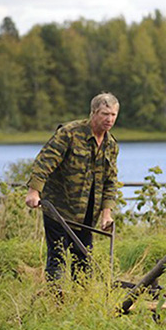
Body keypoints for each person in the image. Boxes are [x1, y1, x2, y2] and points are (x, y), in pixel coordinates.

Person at [25, 92, 120, 287]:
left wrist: (106, 214)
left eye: (113, 115)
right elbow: (45, 161)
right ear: (93, 113)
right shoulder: (70, 133)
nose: (109, 119)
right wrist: (34, 191)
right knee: (57, 256)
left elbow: (111, 181)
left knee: (83, 259)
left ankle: (81, 302)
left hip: (87, 213)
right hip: (59, 208)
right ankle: (54, 299)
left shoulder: (111, 145)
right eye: (105, 114)